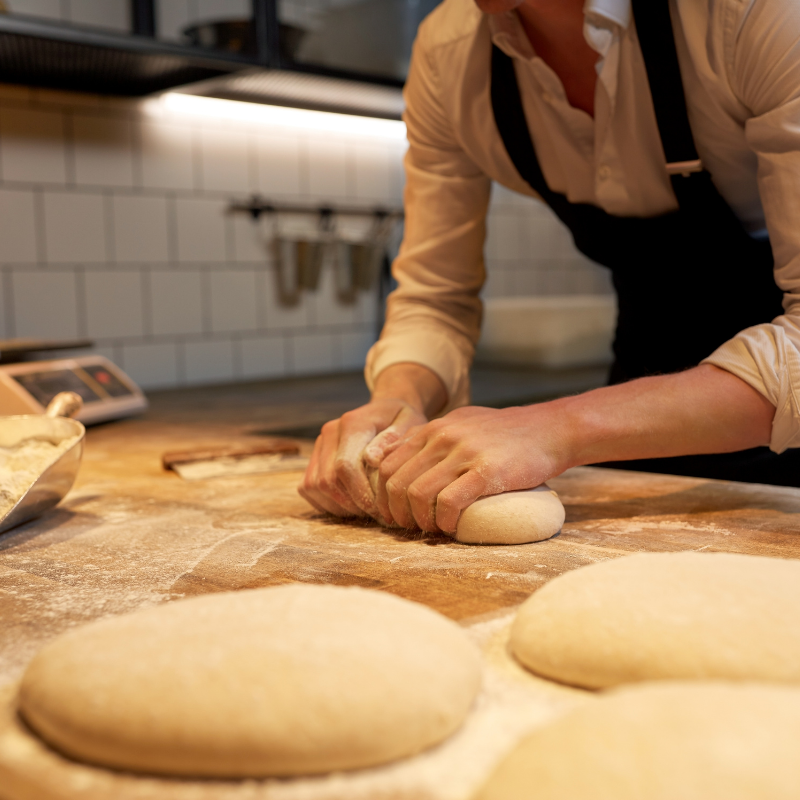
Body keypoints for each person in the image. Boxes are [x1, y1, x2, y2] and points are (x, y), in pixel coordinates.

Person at [300, 0, 800, 534]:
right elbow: (433, 299)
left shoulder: (753, 14)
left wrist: (553, 427)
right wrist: (399, 398)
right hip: (636, 399)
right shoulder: (448, 55)